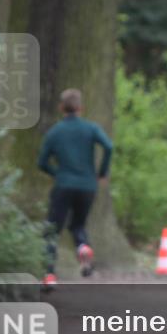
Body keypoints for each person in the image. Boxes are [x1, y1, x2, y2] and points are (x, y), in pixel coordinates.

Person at [37, 88, 113, 288]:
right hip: (88, 186)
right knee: (78, 225)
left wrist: (58, 174)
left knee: (52, 230)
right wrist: (102, 173)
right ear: (81, 107)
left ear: (61, 107)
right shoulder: (91, 128)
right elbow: (109, 146)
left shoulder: (54, 132)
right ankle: (83, 247)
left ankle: (49, 275)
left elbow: (42, 163)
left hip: (63, 186)